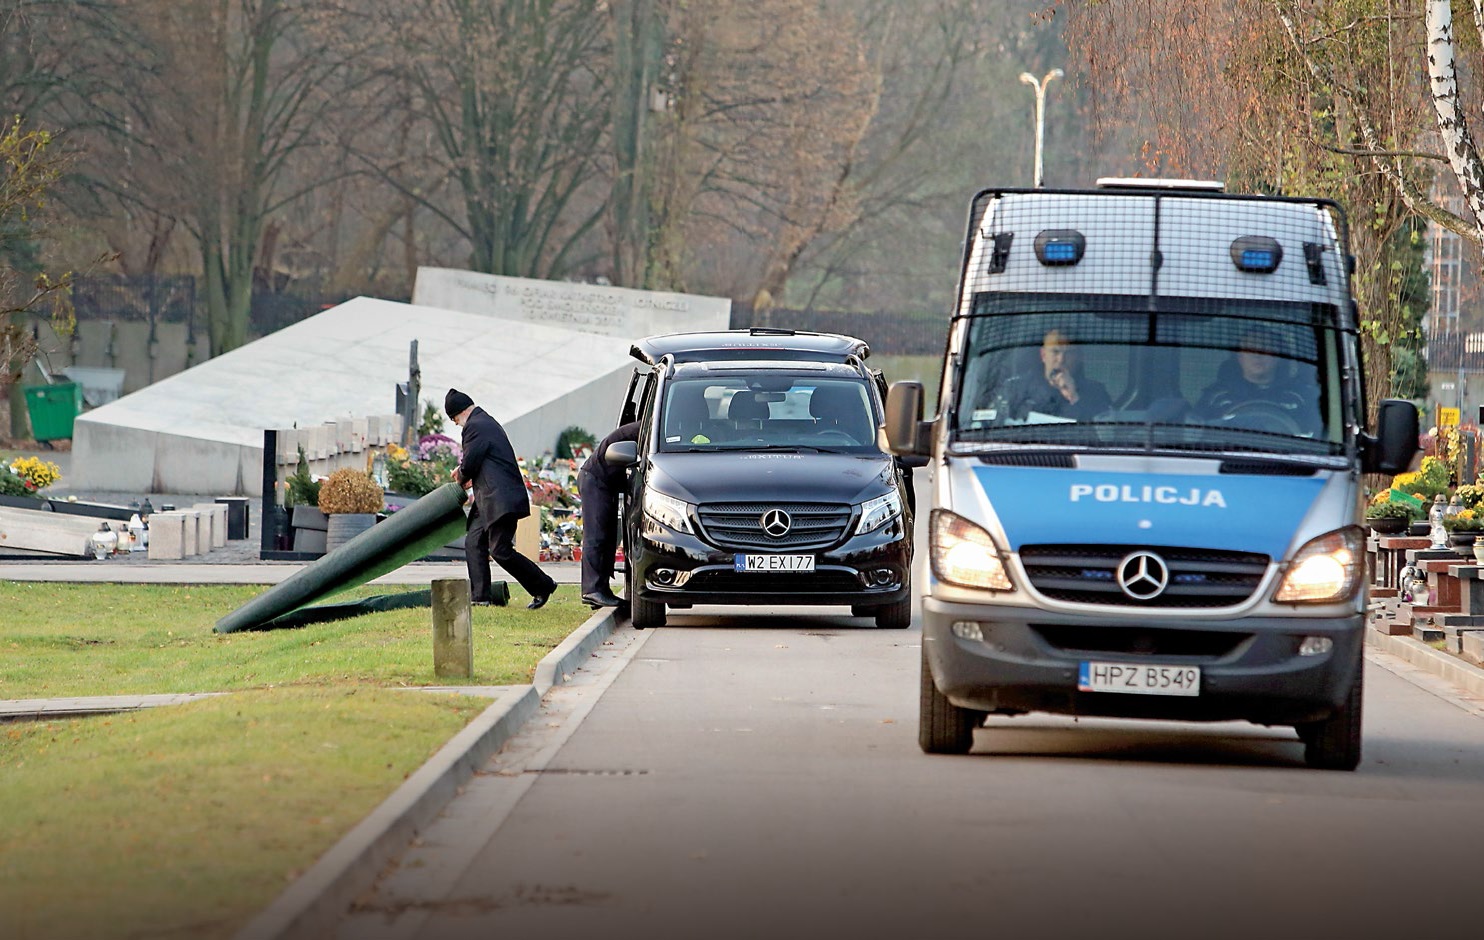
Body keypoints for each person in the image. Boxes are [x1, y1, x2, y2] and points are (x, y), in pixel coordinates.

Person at [446, 388, 557, 609]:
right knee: (474, 542)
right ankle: (480, 598)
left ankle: (543, 585)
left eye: (455, 420)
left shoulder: (474, 427)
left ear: (458, 414)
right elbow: (483, 462)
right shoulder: (485, 421)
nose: (457, 425)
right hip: (490, 498)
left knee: (500, 550)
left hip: (499, 499)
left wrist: (459, 475)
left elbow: (470, 463)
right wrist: (468, 477)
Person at [1195, 326, 1318, 431]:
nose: (1257, 355)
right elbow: (1198, 436)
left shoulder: (1300, 397)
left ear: (1278, 357)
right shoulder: (1216, 398)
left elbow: (1315, 435)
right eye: (1250, 348)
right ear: (1239, 357)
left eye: (1265, 348)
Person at [577, 421, 641, 608]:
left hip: (606, 484)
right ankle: (592, 590)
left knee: (608, 536)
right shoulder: (647, 429)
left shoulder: (644, 427)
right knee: (597, 535)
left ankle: (602, 589)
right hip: (595, 479)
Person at [1002, 328, 1111, 420]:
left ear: (1078, 358)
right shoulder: (1016, 389)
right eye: (1055, 352)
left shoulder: (1096, 393)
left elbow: (1101, 436)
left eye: (1069, 353)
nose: (1061, 359)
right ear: (1043, 355)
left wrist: (1074, 397)